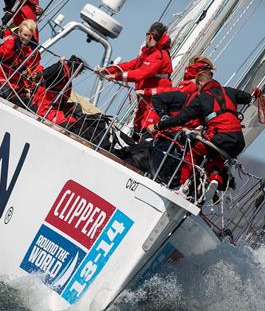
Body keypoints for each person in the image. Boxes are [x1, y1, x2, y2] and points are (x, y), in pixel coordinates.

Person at [146, 61, 255, 190]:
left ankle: (181, 185)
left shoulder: (202, 97)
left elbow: (180, 118)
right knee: (217, 156)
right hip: (238, 143)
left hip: (220, 137)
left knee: (193, 150)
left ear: (200, 83)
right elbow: (248, 97)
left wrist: (158, 126)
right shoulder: (229, 91)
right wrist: (254, 93)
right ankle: (215, 178)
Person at [96, 21, 173, 137]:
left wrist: (116, 76)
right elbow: (130, 65)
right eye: (148, 36)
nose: (148, 39)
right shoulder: (148, 53)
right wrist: (108, 70)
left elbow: (141, 74)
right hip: (144, 100)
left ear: (154, 37)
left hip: (154, 103)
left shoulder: (159, 55)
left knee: (147, 132)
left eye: (150, 36)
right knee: (137, 128)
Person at [0, 19, 42, 104]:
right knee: (5, 93)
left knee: (29, 104)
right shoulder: (11, 40)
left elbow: (35, 67)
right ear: (19, 33)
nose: (27, 38)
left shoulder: (33, 51)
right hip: (1, 76)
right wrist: (12, 43)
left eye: (29, 36)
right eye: (25, 35)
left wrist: (38, 73)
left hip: (17, 83)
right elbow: (4, 54)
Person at [32, 56, 85, 126]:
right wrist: (59, 64)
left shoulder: (66, 77)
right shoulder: (60, 70)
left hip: (54, 107)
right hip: (44, 108)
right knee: (69, 125)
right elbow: (42, 75)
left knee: (76, 108)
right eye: (79, 73)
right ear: (76, 71)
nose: (77, 75)